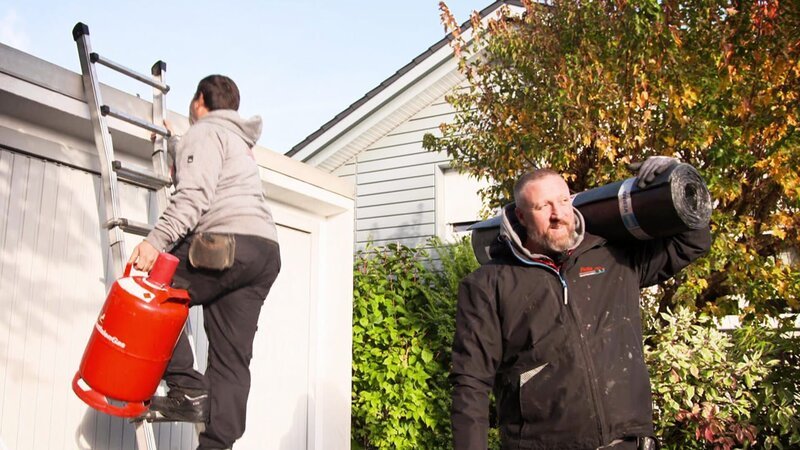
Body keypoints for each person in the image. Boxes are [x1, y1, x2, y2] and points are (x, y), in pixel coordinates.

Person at [450, 157, 712, 450]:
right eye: (542, 206)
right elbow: (471, 384)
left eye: (563, 201)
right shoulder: (488, 284)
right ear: (521, 217)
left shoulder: (613, 257)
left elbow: (691, 243)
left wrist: (678, 174)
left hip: (629, 443)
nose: (557, 214)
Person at [129, 74, 281, 450]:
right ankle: (217, 445)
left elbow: (193, 196)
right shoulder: (238, 142)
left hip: (227, 243)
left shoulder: (204, 132)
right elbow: (203, 173)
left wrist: (154, 242)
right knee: (232, 357)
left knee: (152, 292)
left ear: (200, 100)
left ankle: (185, 388)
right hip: (264, 252)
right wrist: (175, 145)